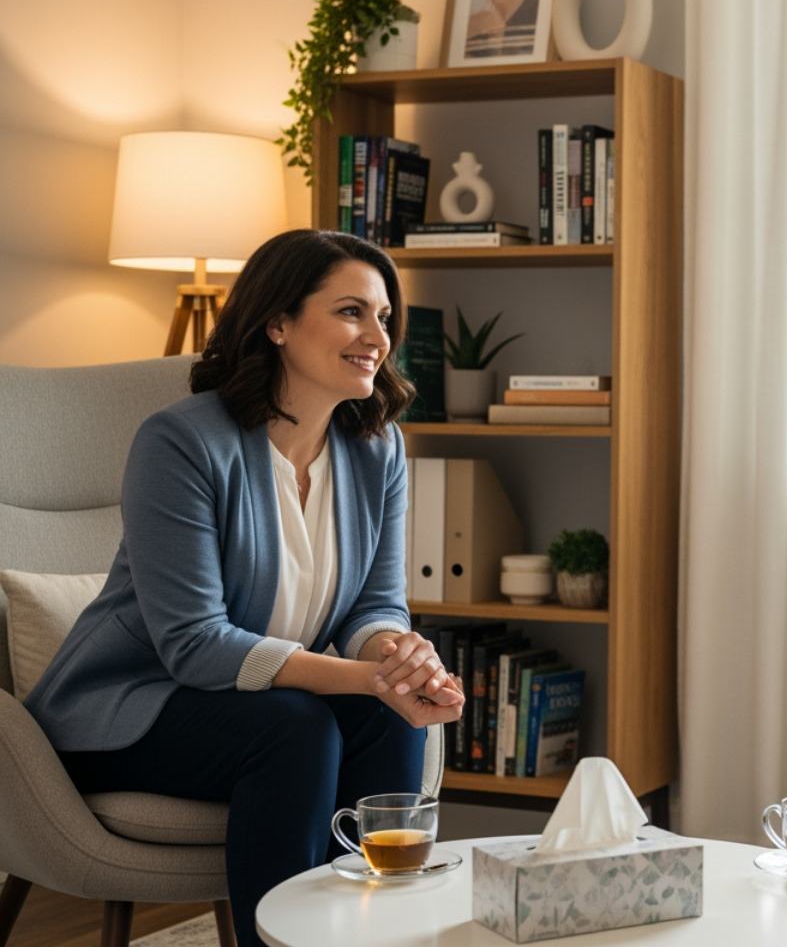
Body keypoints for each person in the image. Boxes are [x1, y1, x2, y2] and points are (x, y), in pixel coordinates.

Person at [25, 229, 465, 947]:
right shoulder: (182, 442)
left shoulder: (377, 446)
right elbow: (195, 645)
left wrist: (398, 658)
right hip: (127, 708)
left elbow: (374, 604)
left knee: (383, 716)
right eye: (352, 311)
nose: (376, 336)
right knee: (296, 725)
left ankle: (370, 934)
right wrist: (366, 676)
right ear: (279, 321)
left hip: (255, 703)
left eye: (385, 317)